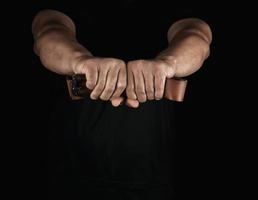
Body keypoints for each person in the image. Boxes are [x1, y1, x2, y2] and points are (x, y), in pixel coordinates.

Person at [32, 1, 212, 199]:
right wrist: (79, 60)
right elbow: (47, 32)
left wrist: (168, 63)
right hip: (70, 175)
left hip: (151, 178)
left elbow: (198, 37)